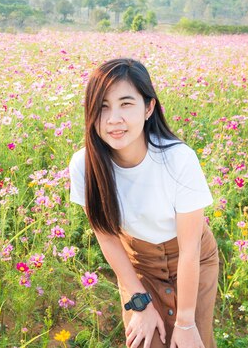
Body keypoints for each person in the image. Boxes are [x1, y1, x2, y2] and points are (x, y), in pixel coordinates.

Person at [68, 58, 219, 348]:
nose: (113, 119)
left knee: (192, 340)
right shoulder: (84, 165)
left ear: (148, 108)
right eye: (102, 106)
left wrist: (186, 323)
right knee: (145, 341)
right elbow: (107, 238)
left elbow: (190, 249)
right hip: (139, 264)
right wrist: (139, 302)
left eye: (126, 104)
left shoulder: (178, 159)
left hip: (192, 258)